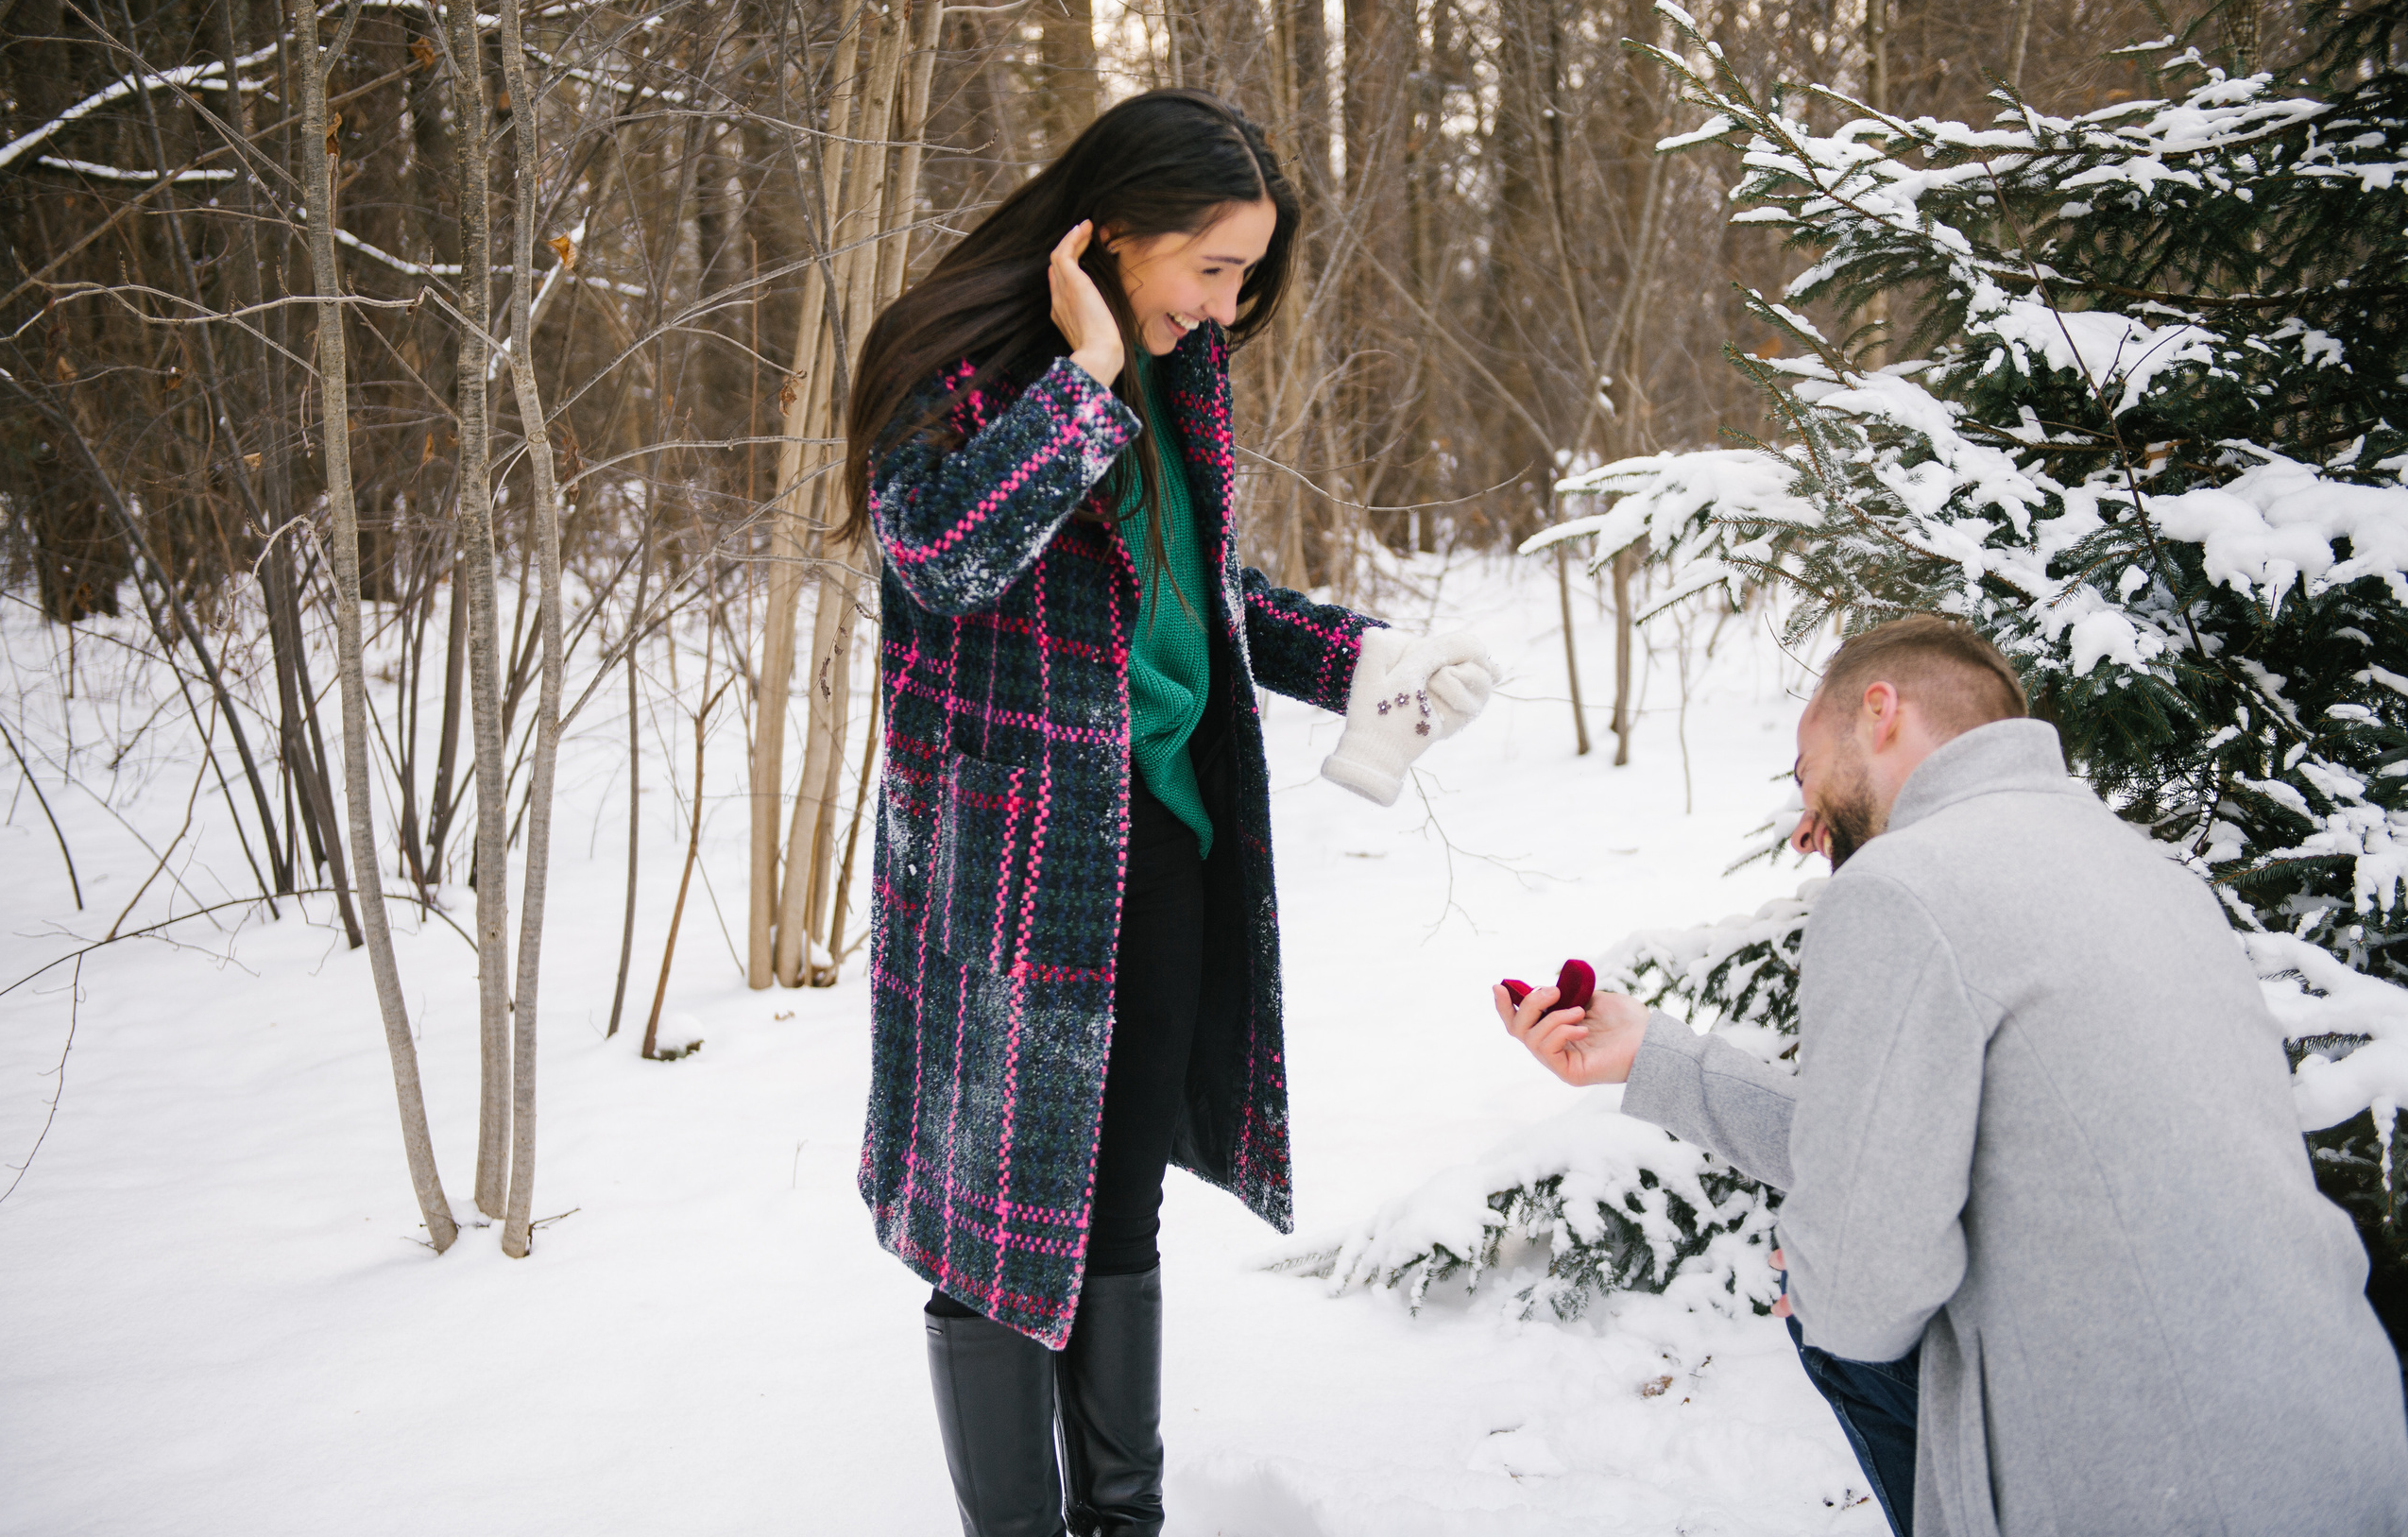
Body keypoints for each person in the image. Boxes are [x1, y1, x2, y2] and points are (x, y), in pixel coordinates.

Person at [845, 89, 1494, 1537]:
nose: (1226, 307)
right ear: (1112, 232)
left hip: (1167, 845)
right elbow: (943, 558)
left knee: (1116, 1211)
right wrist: (1078, 376)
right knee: (1000, 1233)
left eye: (1247, 279)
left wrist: (1370, 662)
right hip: (1009, 884)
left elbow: (1199, 601)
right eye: (1211, 268)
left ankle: (1125, 1527)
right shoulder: (946, 368)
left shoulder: (1174, 375)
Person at [1497, 614, 2408, 1537]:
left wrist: (1819, 1277)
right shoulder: (2149, 874)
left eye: (1802, 769)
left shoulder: (1902, 886)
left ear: (1878, 712)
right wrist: (1656, 1054)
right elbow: (1930, 1156)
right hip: (2338, 1438)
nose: (1803, 824)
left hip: (2155, 1487)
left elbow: (1864, 1288)